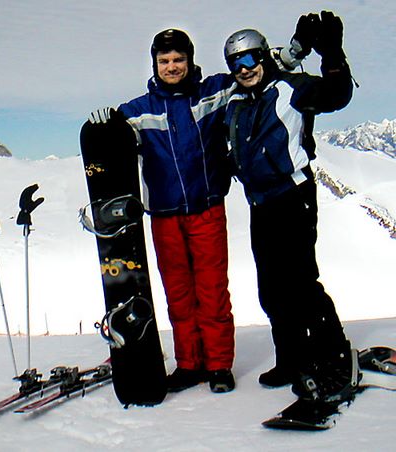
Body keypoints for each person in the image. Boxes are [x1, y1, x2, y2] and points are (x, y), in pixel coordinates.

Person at [88, 28, 305, 394]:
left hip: (207, 210)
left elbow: (254, 71)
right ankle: (189, 364)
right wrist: (104, 126)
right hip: (164, 215)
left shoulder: (214, 92)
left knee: (212, 290)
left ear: (189, 61)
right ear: (155, 65)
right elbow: (111, 140)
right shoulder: (138, 111)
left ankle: (218, 365)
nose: (172, 67)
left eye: (178, 59)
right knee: (178, 294)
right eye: (164, 61)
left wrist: (291, 54)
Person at [222, 11, 359, 401]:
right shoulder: (235, 100)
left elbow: (337, 95)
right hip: (260, 203)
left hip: (292, 196)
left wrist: (332, 54)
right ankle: (292, 357)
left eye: (250, 58)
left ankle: (334, 356)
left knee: (300, 282)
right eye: (236, 62)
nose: (244, 68)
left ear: (263, 56)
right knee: (271, 287)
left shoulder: (290, 88)